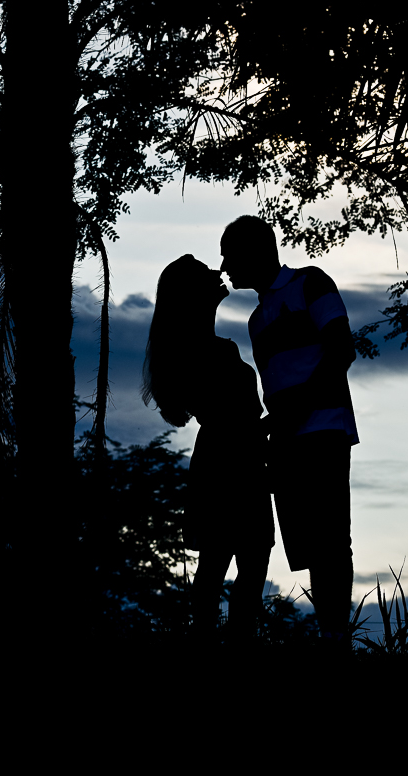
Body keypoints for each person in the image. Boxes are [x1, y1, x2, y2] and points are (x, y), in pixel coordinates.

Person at [219, 215, 358, 644]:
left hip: (323, 429)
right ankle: (330, 636)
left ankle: (336, 638)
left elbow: (341, 350)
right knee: (311, 545)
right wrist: (275, 427)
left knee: (330, 539)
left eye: (230, 256)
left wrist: (290, 415)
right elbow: (278, 390)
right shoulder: (257, 320)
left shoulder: (310, 283)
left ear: (255, 252)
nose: (224, 267)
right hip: (286, 440)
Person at [141, 254, 274, 637]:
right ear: (192, 294)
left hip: (230, 458)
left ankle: (216, 640)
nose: (217, 273)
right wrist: (279, 419)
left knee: (226, 565)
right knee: (235, 564)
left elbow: (236, 420)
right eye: (205, 274)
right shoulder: (204, 352)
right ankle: (226, 640)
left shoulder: (198, 350)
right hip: (231, 460)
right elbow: (235, 420)